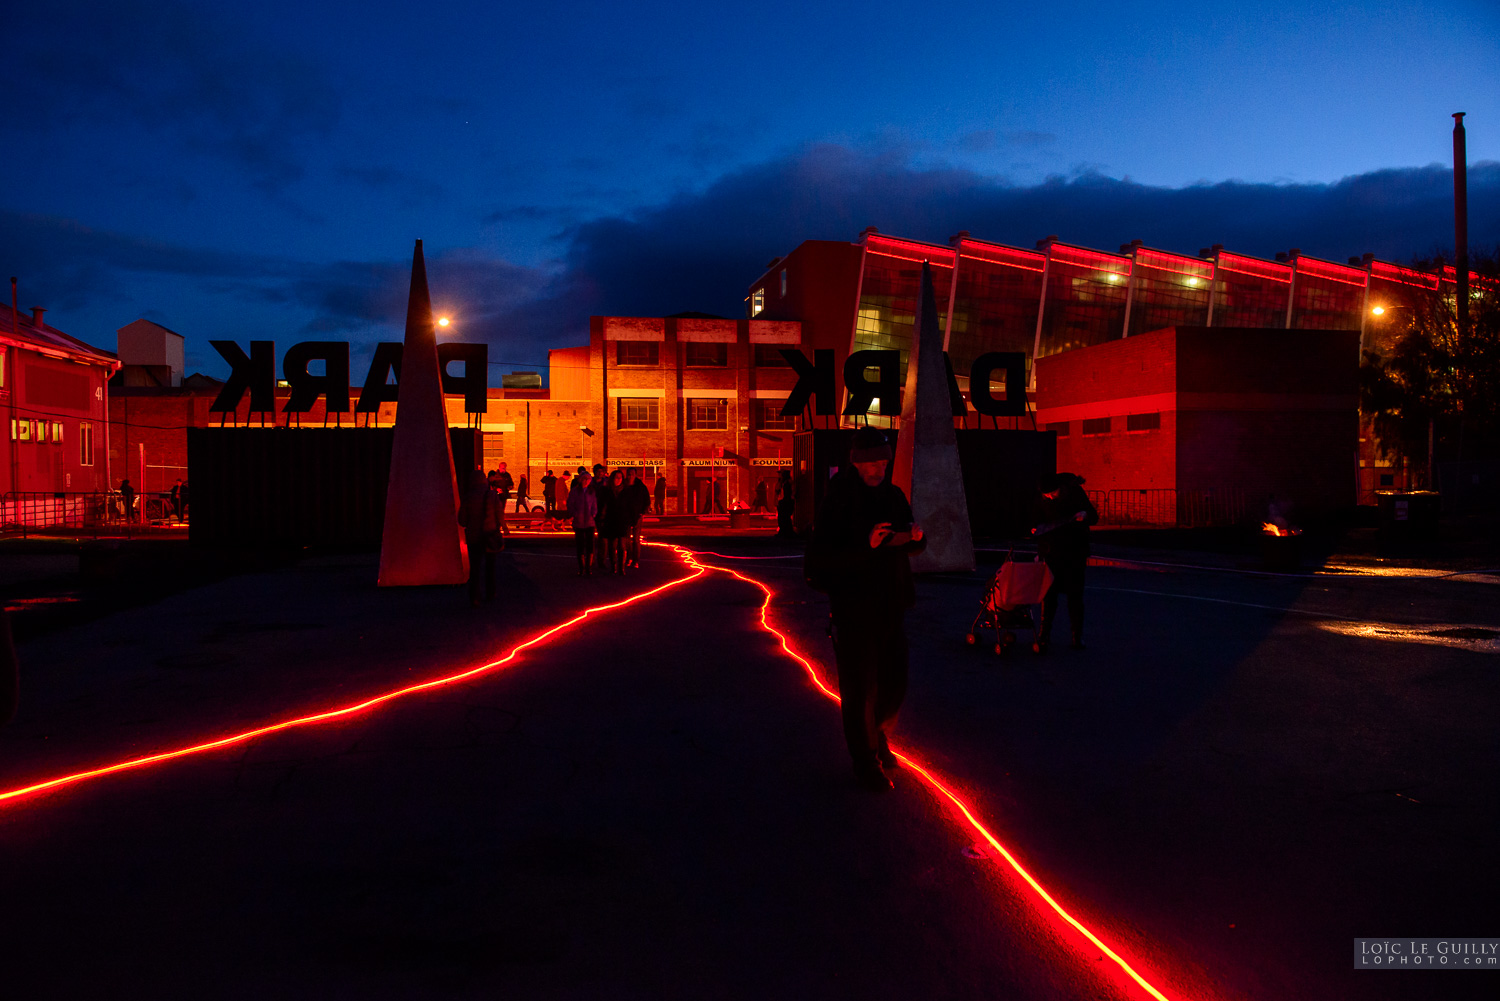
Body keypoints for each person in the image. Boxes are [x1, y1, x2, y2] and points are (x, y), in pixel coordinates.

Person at [806, 427, 925, 793]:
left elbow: (907, 545)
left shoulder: (893, 495)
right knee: (860, 689)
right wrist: (866, 544)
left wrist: (916, 540)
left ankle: (877, 736)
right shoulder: (838, 499)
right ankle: (865, 761)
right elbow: (819, 563)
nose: (878, 468)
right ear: (856, 463)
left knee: (894, 683)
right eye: (871, 461)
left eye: (883, 461)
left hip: (891, 603)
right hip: (853, 608)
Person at [1031, 472, 1098, 653]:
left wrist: (1085, 515)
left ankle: (1077, 636)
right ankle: (1044, 635)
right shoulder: (1042, 499)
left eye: (1053, 493)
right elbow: (1036, 522)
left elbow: (1093, 515)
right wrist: (1036, 533)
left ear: (1060, 488)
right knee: (1049, 595)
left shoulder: (1075, 492)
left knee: (1075, 596)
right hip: (1051, 553)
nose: (1051, 497)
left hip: (1074, 552)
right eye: (1047, 495)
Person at [458, 467, 502, 606]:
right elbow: (500, 515)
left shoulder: (468, 497)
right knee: (490, 567)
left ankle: (474, 597)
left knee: (475, 568)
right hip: (489, 535)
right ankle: (491, 593)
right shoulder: (492, 495)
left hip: (474, 537)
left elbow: (462, 520)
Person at [598, 470, 630, 574]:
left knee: (622, 545)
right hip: (610, 520)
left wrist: (630, 518)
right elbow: (603, 505)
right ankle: (614, 566)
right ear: (612, 478)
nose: (618, 480)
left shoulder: (626, 491)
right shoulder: (606, 490)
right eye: (616, 477)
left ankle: (621, 567)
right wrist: (602, 518)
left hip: (622, 521)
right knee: (612, 545)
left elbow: (630, 506)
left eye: (620, 478)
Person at [567, 472, 597, 575]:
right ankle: (582, 567)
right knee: (580, 545)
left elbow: (594, 504)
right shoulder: (575, 491)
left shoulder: (591, 491)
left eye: (588, 479)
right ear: (580, 480)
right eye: (584, 479)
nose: (586, 481)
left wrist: (593, 514)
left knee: (590, 545)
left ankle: (589, 567)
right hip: (578, 522)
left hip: (589, 522)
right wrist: (575, 514)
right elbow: (570, 504)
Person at [624, 469, 651, 567]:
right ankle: (629, 558)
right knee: (626, 539)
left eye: (632, 474)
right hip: (626, 516)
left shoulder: (641, 487)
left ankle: (636, 560)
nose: (630, 476)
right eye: (629, 474)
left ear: (635, 475)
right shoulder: (624, 486)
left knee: (635, 539)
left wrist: (642, 512)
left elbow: (647, 500)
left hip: (637, 515)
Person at [776, 468, 795, 538]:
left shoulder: (787, 483)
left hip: (786, 502)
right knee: (785, 517)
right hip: (786, 501)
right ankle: (785, 531)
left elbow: (787, 494)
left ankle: (785, 532)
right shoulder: (786, 482)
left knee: (784, 517)